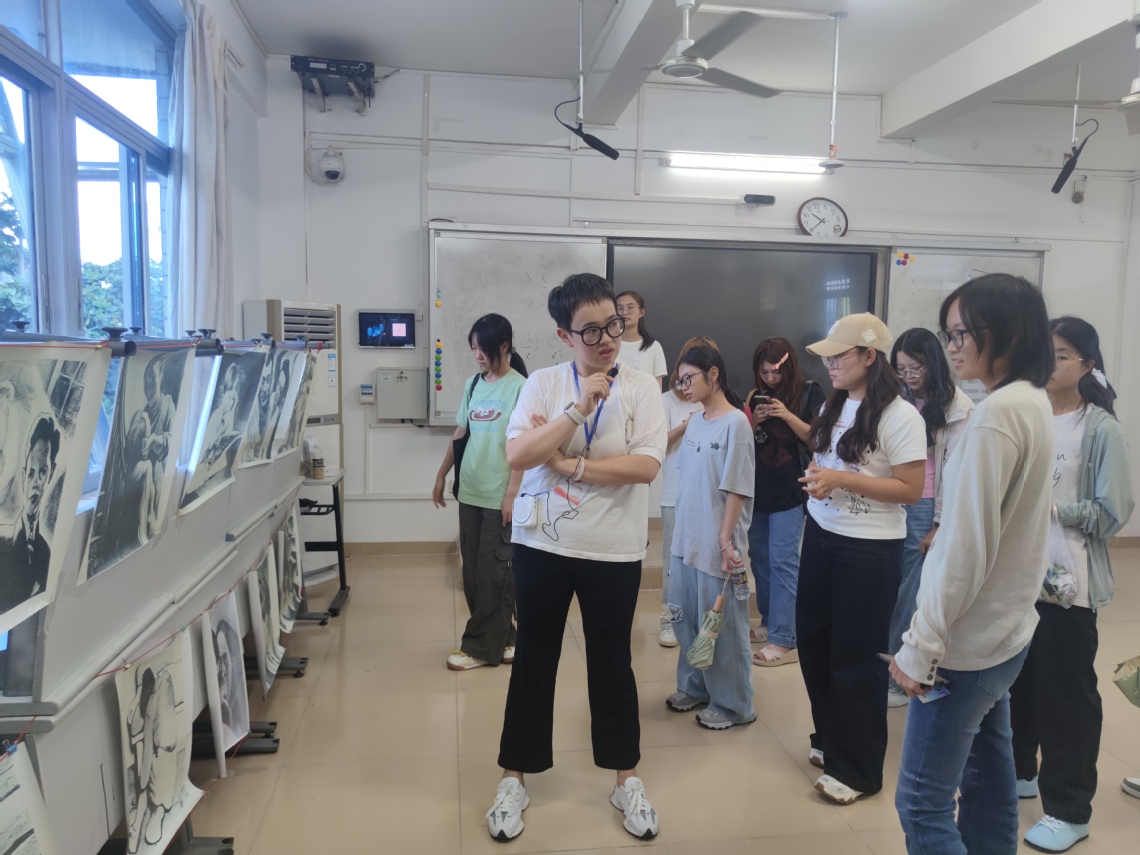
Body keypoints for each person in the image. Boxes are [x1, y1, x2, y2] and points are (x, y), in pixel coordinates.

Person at [487, 273, 666, 842]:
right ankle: (514, 778)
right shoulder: (543, 384)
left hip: (613, 549)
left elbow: (645, 466)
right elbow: (519, 453)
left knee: (612, 664)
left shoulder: (641, 387)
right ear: (564, 335)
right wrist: (575, 410)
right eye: (590, 330)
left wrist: (567, 463)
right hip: (543, 545)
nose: (607, 339)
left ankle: (626, 779)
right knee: (534, 660)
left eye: (612, 324)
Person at [891, 273, 1055, 854]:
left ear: (1009, 332)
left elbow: (965, 549)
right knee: (987, 783)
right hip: (1004, 633)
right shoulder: (1030, 400)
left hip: (963, 647)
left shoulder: (995, 417)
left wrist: (921, 646)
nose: (952, 346)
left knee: (921, 802)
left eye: (963, 333)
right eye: (949, 333)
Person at [1008, 316, 1134, 853]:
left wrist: (1057, 510)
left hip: (1069, 585)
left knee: (1065, 696)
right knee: (1016, 683)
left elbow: (1112, 512)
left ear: (1087, 364)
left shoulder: (1100, 428)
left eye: (1061, 355)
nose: (1049, 363)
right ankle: (1020, 772)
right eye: (1045, 353)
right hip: (1018, 575)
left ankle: (1069, 809)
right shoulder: (1029, 415)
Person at [798, 313, 927, 804]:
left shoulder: (901, 416)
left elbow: (910, 489)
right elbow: (827, 459)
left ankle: (859, 771)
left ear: (870, 356)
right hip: (822, 535)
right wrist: (821, 476)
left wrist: (842, 480)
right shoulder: (833, 403)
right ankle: (832, 740)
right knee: (814, 643)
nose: (830, 365)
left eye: (839, 356)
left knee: (855, 656)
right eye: (827, 357)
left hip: (868, 549)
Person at [665, 344, 756, 729]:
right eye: (680, 381)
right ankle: (695, 686)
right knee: (684, 617)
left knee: (722, 626)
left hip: (719, 545)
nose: (683, 386)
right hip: (687, 539)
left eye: (689, 378)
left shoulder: (736, 423)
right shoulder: (696, 421)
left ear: (713, 374)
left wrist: (724, 540)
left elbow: (737, 488)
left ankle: (734, 705)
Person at [432, 313, 528, 670]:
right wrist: (441, 475)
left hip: (500, 494)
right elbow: (461, 434)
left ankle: (476, 647)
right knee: (473, 574)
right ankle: (505, 639)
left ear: (503, 346)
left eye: (482, 348)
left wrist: (512, 494)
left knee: (495, 573)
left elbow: (524, 446)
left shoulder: (521, 387)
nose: (477, 355)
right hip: (469, 491)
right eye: (473, 348)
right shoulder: (474, 384)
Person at [886, 328, 973, 706]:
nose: (908, 375)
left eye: (915, 367)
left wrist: (938, 524)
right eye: (901, 368)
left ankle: (898, 677)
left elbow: (954, 471)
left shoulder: (955, 406)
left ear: (933, 363)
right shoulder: (897, 397)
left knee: (909, 593)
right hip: (892, 497)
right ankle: (893, 666)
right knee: (892, 587)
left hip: (924, 505)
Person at [744, 337, 825, 667]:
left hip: (791, 490)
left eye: (775, 373)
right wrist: (755, 420)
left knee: (783, 560)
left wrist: (786, 415)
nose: (769, 379)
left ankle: (784, 637)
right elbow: (744, 439)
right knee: (760, 558)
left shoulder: (809, 392)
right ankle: (768, 621)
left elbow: (819, 439)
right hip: (757, 488)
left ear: (787, 368)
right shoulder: (755, 395)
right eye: (763, 372)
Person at [658, 336, 716, 648]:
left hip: (711, 496)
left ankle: (702, 625)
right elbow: (657, 444)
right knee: (673, 565)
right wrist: (687, 425)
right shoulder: (668, 400)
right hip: (675, 494)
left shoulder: (721, 406)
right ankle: (669, 622)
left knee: (708, 564)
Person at [0, 414, 59, 613]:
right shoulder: (2, 538)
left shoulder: (46, 552)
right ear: (24, 475)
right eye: (31, 473)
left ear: (51, 473)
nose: (35, 483)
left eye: (42, 472)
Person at [615, 290, 667, 386]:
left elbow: (657, 388)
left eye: (630, 307)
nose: (624, 312)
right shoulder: (609, 343)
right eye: (620, 308)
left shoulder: (653, 347)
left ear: (641, 312)